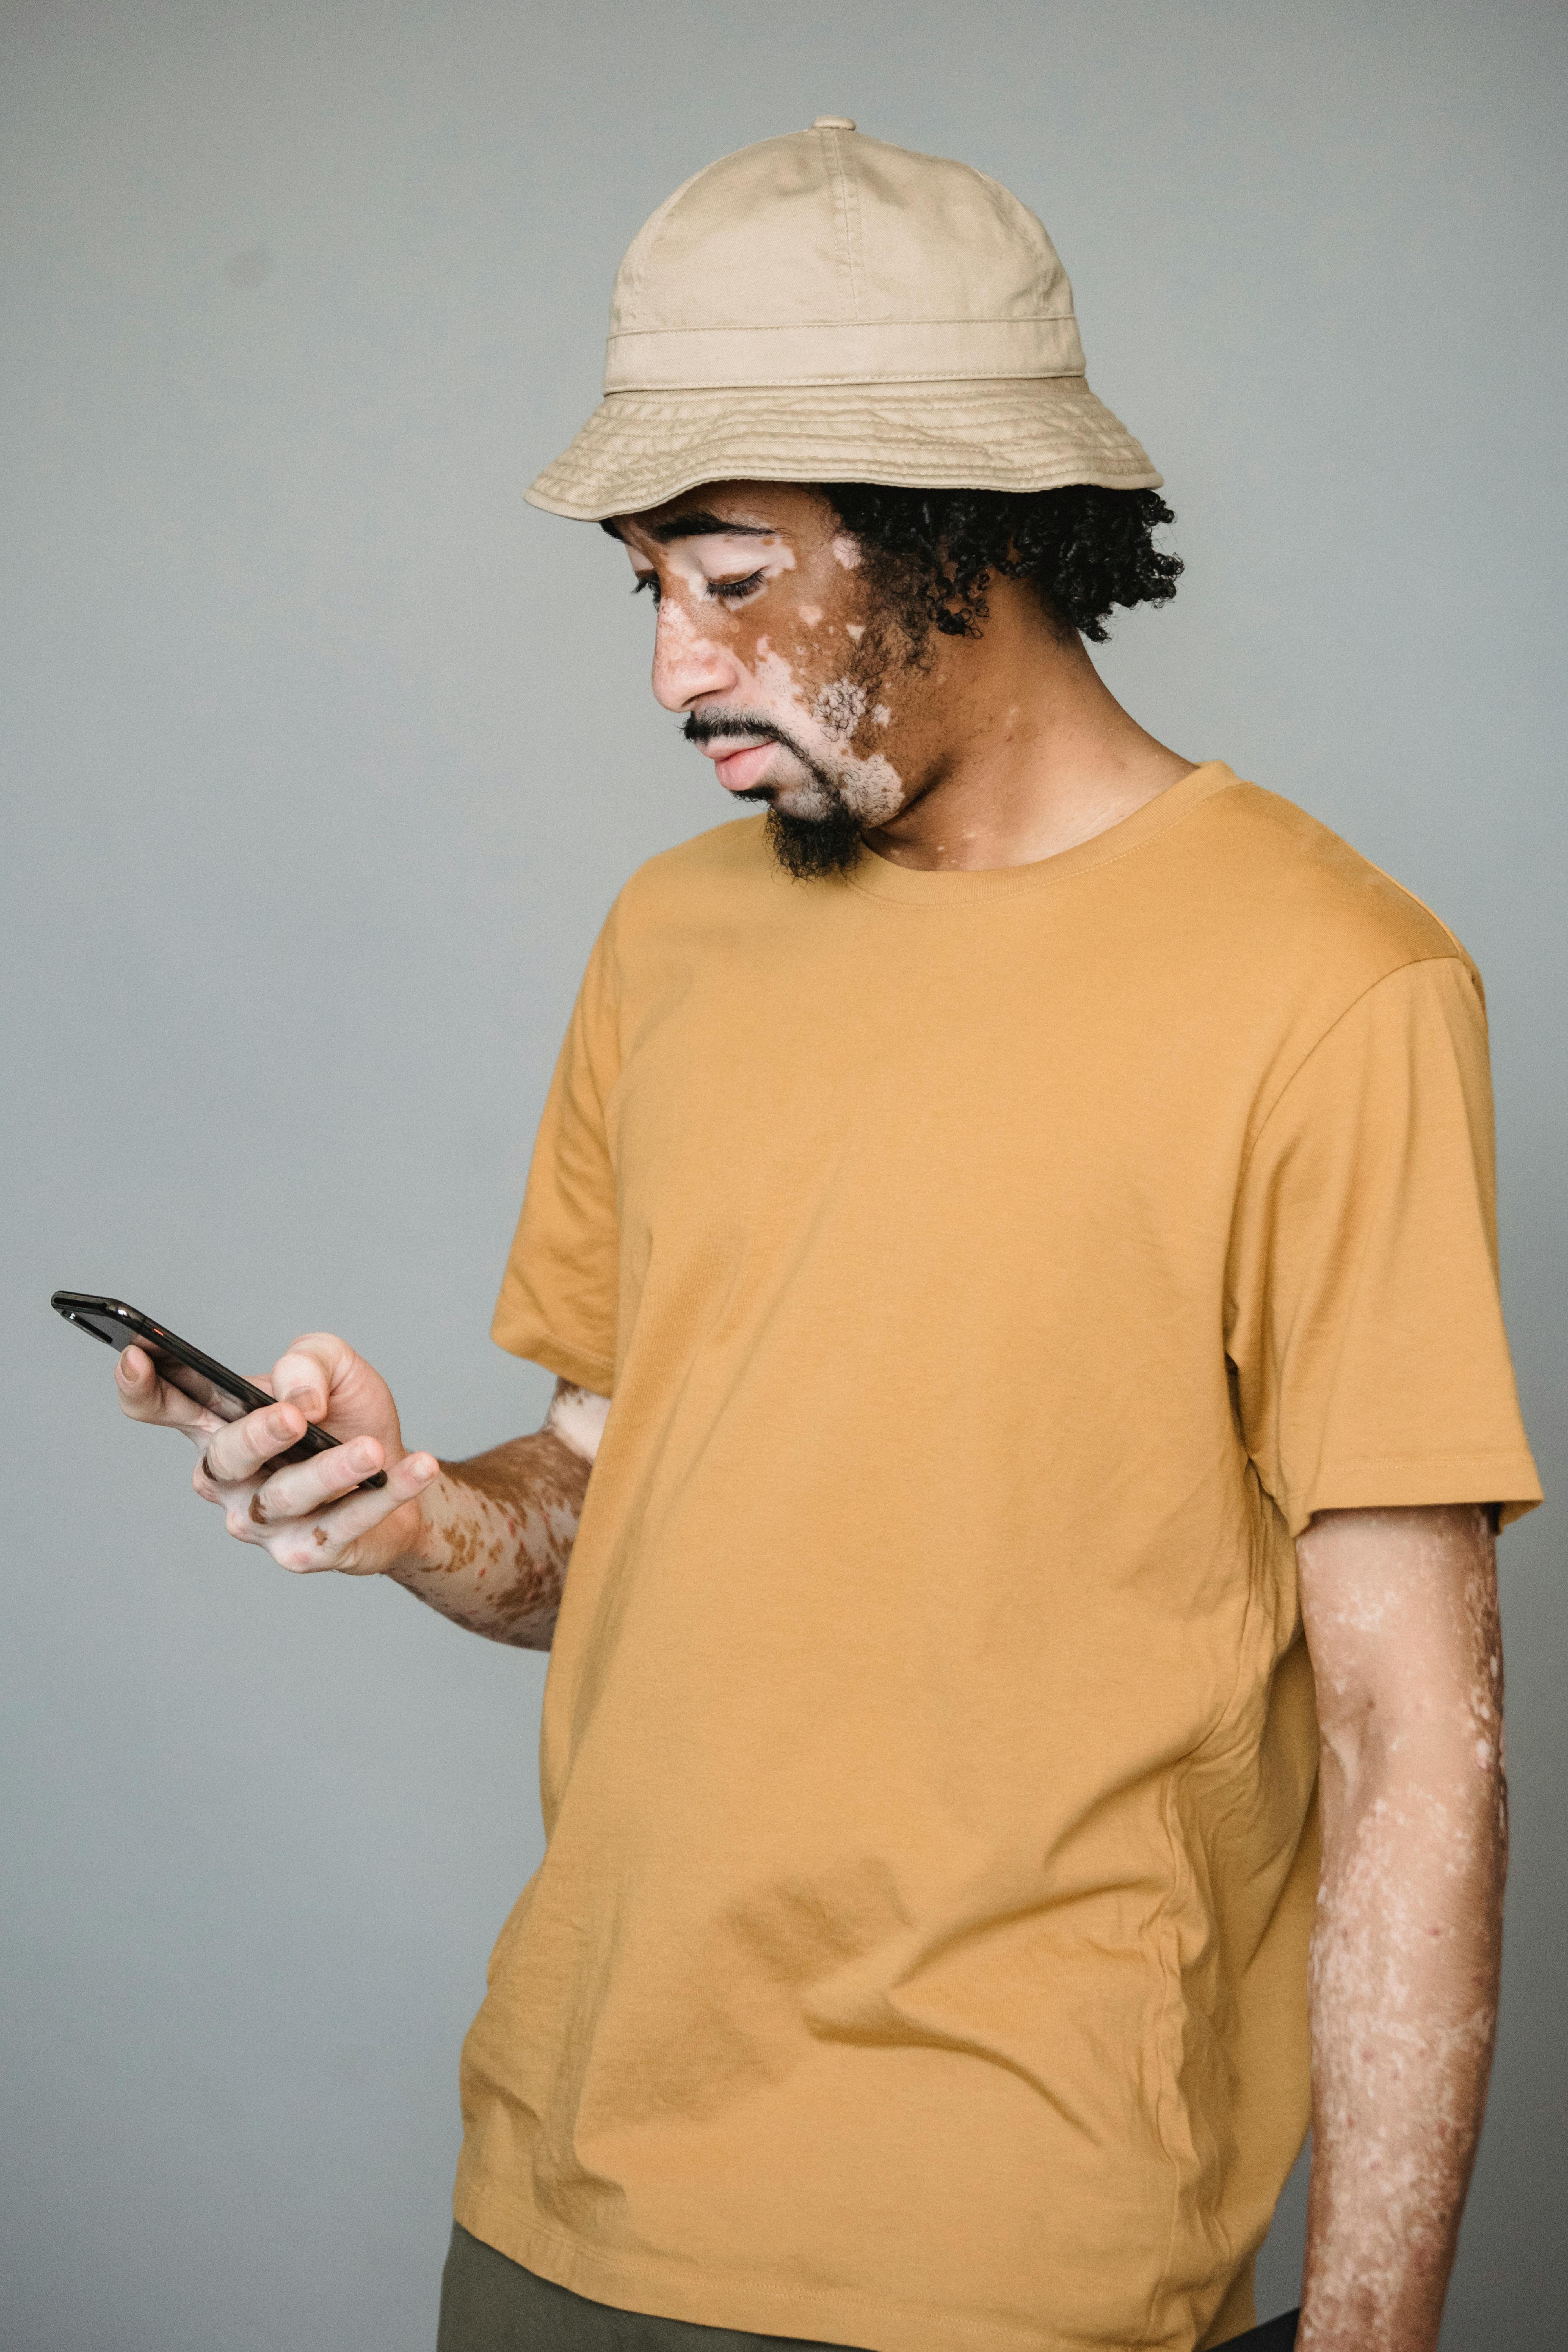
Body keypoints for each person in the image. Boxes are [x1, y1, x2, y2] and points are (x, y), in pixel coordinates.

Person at [113, 122, 1540, 2352]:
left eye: (737, 576)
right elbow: (601, 1509)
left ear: (963, 528)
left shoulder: (1334, 987)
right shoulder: (671, 942)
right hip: (565, 2194)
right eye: (647, 588)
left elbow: (1410, 1748)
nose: (676, 674)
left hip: (1028, 2257)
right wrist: (412, 1514)